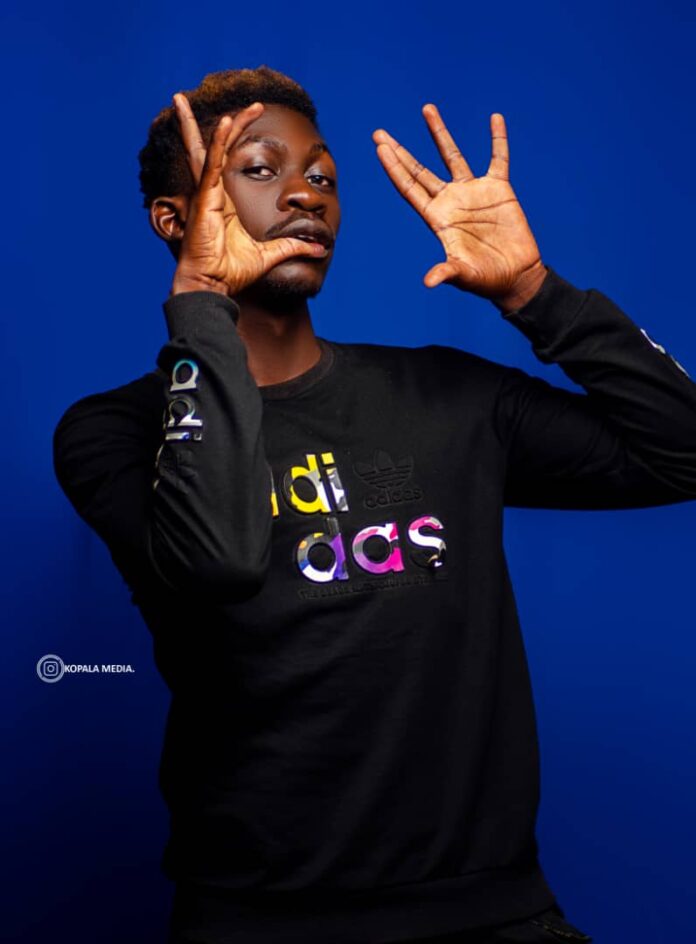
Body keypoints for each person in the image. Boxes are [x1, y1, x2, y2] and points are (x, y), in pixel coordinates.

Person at [52, 65, 696, 944]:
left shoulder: (447, 396)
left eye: (322, 175)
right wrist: (200, 305)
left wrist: (534, 293)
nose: (305, 194)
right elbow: (220, 562)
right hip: (260, 925)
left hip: (490, 915)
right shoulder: (113, 433)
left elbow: (681, 454)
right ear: (174, 217)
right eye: (260, 169)